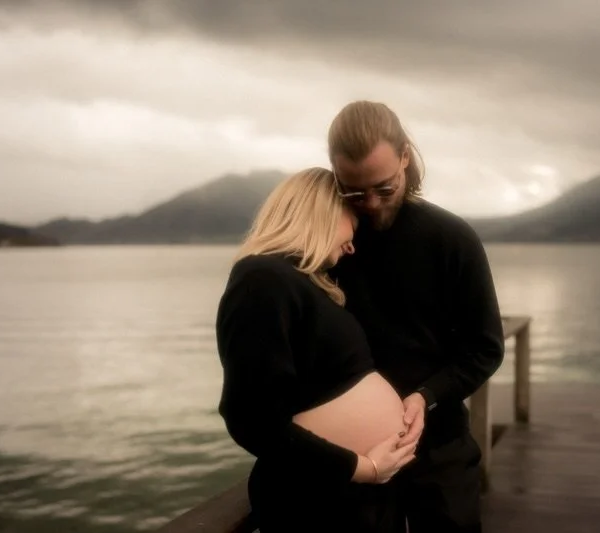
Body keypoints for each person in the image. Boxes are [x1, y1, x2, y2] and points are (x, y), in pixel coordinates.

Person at [327, 101, 506, 533]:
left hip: (440, 443)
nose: (370, 204)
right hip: (355, 456)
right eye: (353, 191)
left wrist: (426, 395)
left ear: (406, 157)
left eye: (384, 188)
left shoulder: (452, 238)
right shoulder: (328, 244)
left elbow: (485, 348)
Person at [215, 167, 419, 533]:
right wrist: (362, 468)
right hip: (319, 502)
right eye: (352, 218)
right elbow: (251, 419)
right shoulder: (261, 278)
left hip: (356, 496)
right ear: (320, 209)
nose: (353, 242)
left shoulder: (304, 284)